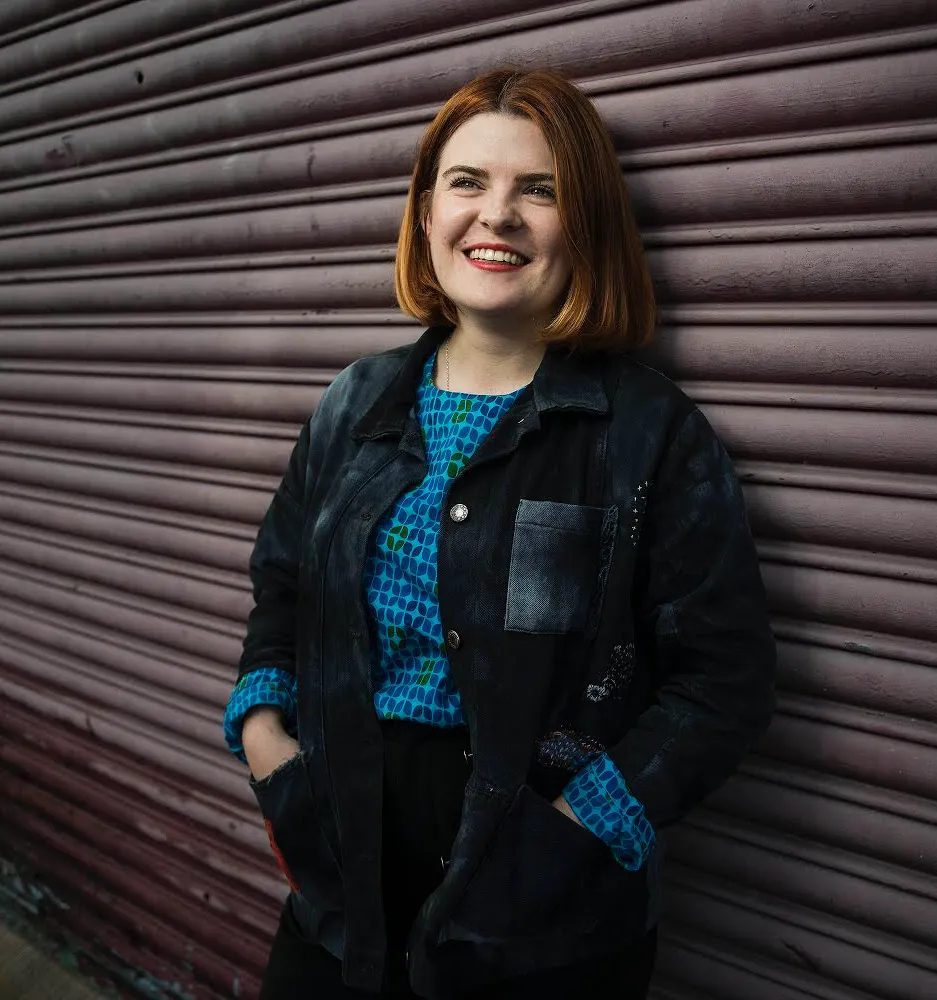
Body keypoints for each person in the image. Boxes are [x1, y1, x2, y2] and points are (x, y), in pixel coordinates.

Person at [222, 67, 776, 1000]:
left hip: (544, 920)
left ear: (585, 221)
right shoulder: (354, 404)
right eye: (468, 181)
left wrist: (582, 829)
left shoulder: (647, 433)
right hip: (339, 868)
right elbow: (282, 593)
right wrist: (271, 745)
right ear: (426, 208)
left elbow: (725, 678)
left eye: (541, 189)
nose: (497, 215)